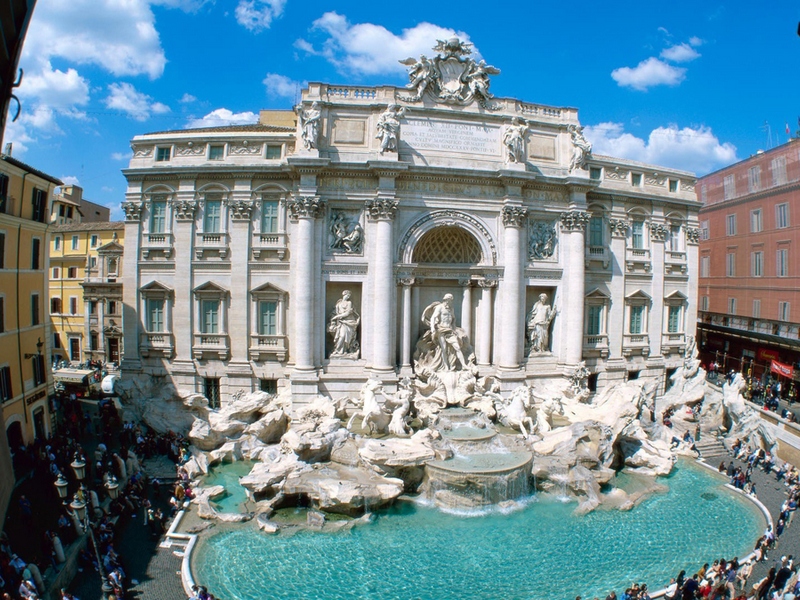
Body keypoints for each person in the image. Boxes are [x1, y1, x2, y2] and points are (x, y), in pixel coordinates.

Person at [429, 294, 468, 371]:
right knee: (444, 349)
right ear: (446, 300)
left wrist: (454, 329)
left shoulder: (451, 309)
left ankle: (464, 365)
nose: (451, 302)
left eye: (451, 300)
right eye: (450, 300)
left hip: (449, 331)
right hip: (441, 330)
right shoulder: (440, 307)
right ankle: (446, 366)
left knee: (457, 347)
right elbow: (433, 317)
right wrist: (432, 328)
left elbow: (453, 320)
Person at [328, 290, 361, 358]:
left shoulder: (349, 303)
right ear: (344, 295)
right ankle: (338, 350)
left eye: (349, 296)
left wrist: (337, 316)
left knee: (345, 337)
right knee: (341, 336)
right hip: (340, 323)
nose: (348, 297)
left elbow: (347, 313)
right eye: (347, 295)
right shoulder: (338, 304)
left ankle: (343, 351)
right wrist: (334, 319)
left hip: (348, 322)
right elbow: (334, 312)